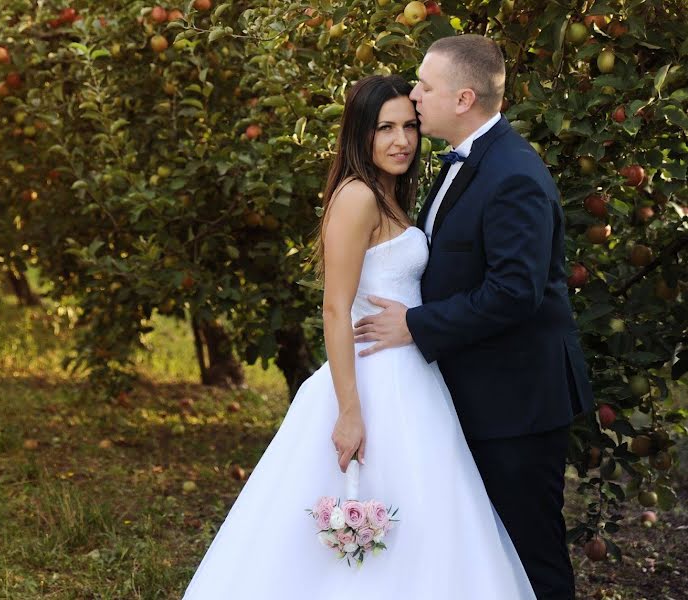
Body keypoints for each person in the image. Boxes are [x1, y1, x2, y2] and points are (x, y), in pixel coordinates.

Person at [182, 74, 535, 599]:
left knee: (429, 516)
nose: (402, 140)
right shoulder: (357, 197)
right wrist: (349, 411)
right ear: (360, 135)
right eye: (385, 128)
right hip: (370, 378)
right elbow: (334, 307)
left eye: (410, 127)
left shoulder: (391, 194)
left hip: (414, 374)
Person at [352, 36, 594, 600]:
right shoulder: (464, 163)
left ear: (463, 99)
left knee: (530, 555)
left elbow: (515, 292)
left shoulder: (512, 174)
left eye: (425, 87)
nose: (414, 97)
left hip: (518, 402)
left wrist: (416, 324)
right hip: (479, 392)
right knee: (486, 557)